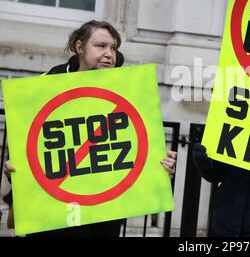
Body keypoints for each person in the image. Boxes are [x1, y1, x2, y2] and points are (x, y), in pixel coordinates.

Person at [3, 20, 177, 237]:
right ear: (79, 47)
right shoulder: (48, 83)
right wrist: (14, 168)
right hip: (54, 212)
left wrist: (160, 164)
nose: (109, 54)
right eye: (101, 46)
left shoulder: (128, 89)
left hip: (102, 212)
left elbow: (138, 145)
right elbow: (27, 139)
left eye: (113, 48)